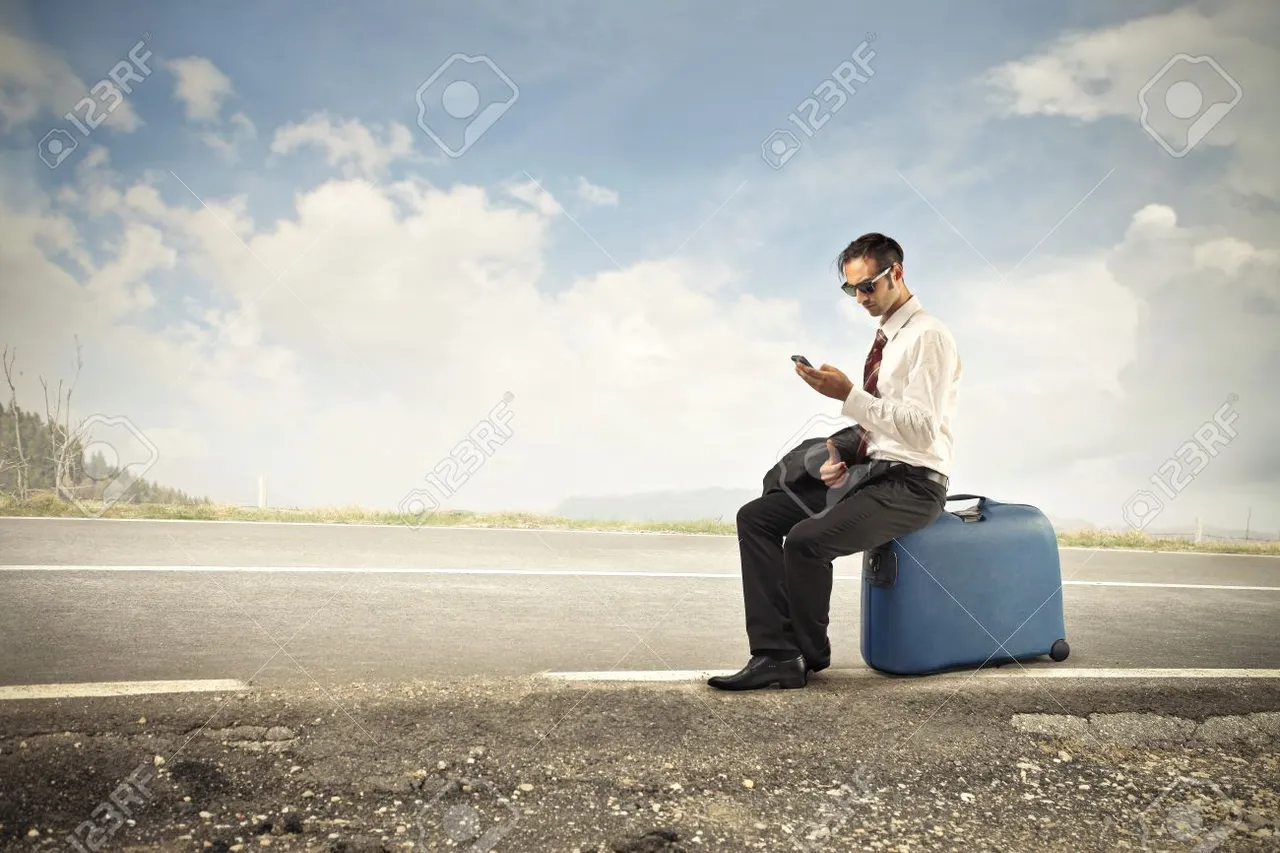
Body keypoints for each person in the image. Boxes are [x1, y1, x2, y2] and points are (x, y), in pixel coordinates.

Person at [708, 232, 962, 690]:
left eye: (868, 286)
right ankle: (773, 653)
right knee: (758, 518)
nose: (860, 297)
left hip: (913, 485)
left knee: (806, 541)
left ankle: (803, 655)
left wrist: (848, 394)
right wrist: (840, 453)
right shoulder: (888, 338)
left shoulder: (929, 337)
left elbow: (922, 430)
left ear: (897, 273)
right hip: (872, 473)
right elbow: (883, 424)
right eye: (851, 289)